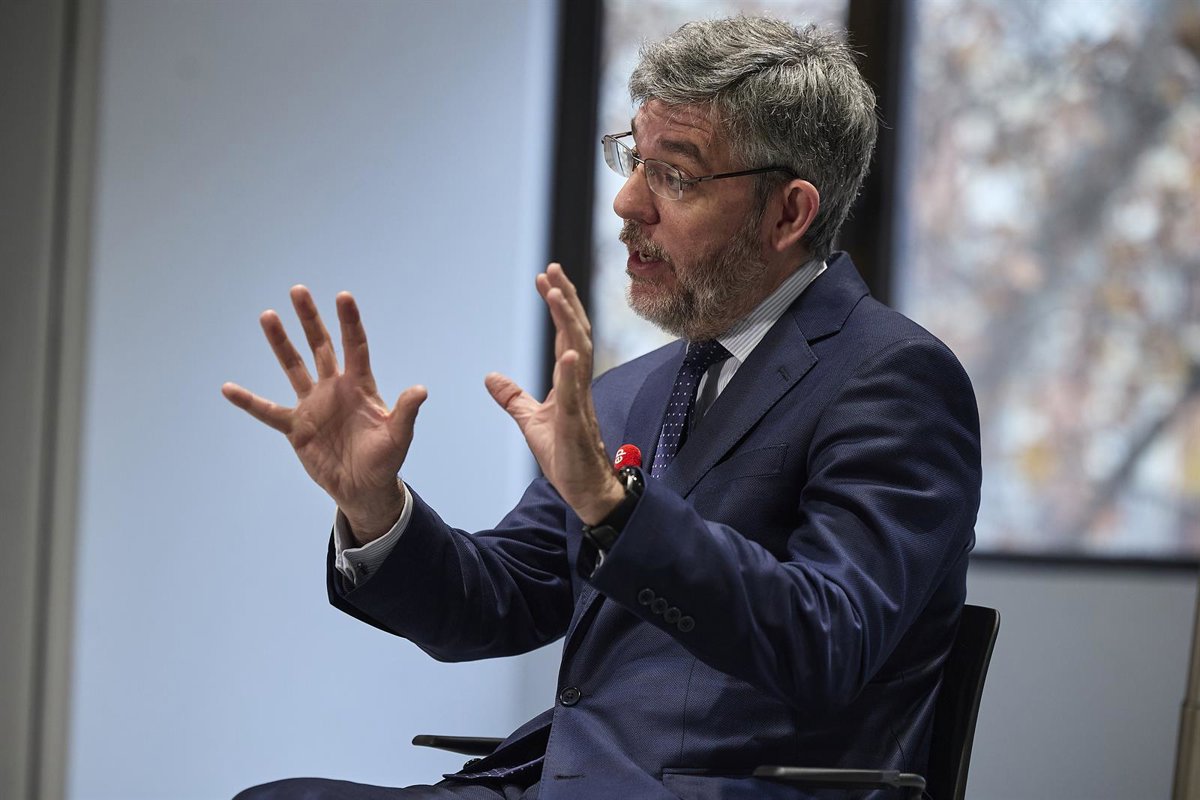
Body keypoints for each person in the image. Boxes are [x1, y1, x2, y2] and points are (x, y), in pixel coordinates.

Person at [224, 16, 981, 800]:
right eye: (633, 161)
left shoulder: (893, 378)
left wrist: (616, 510)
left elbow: (827, 640)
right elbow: (495, 603)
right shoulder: (633, 391)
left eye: (674, 176)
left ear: (788, 214)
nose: (625, 202)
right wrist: (375, 506)